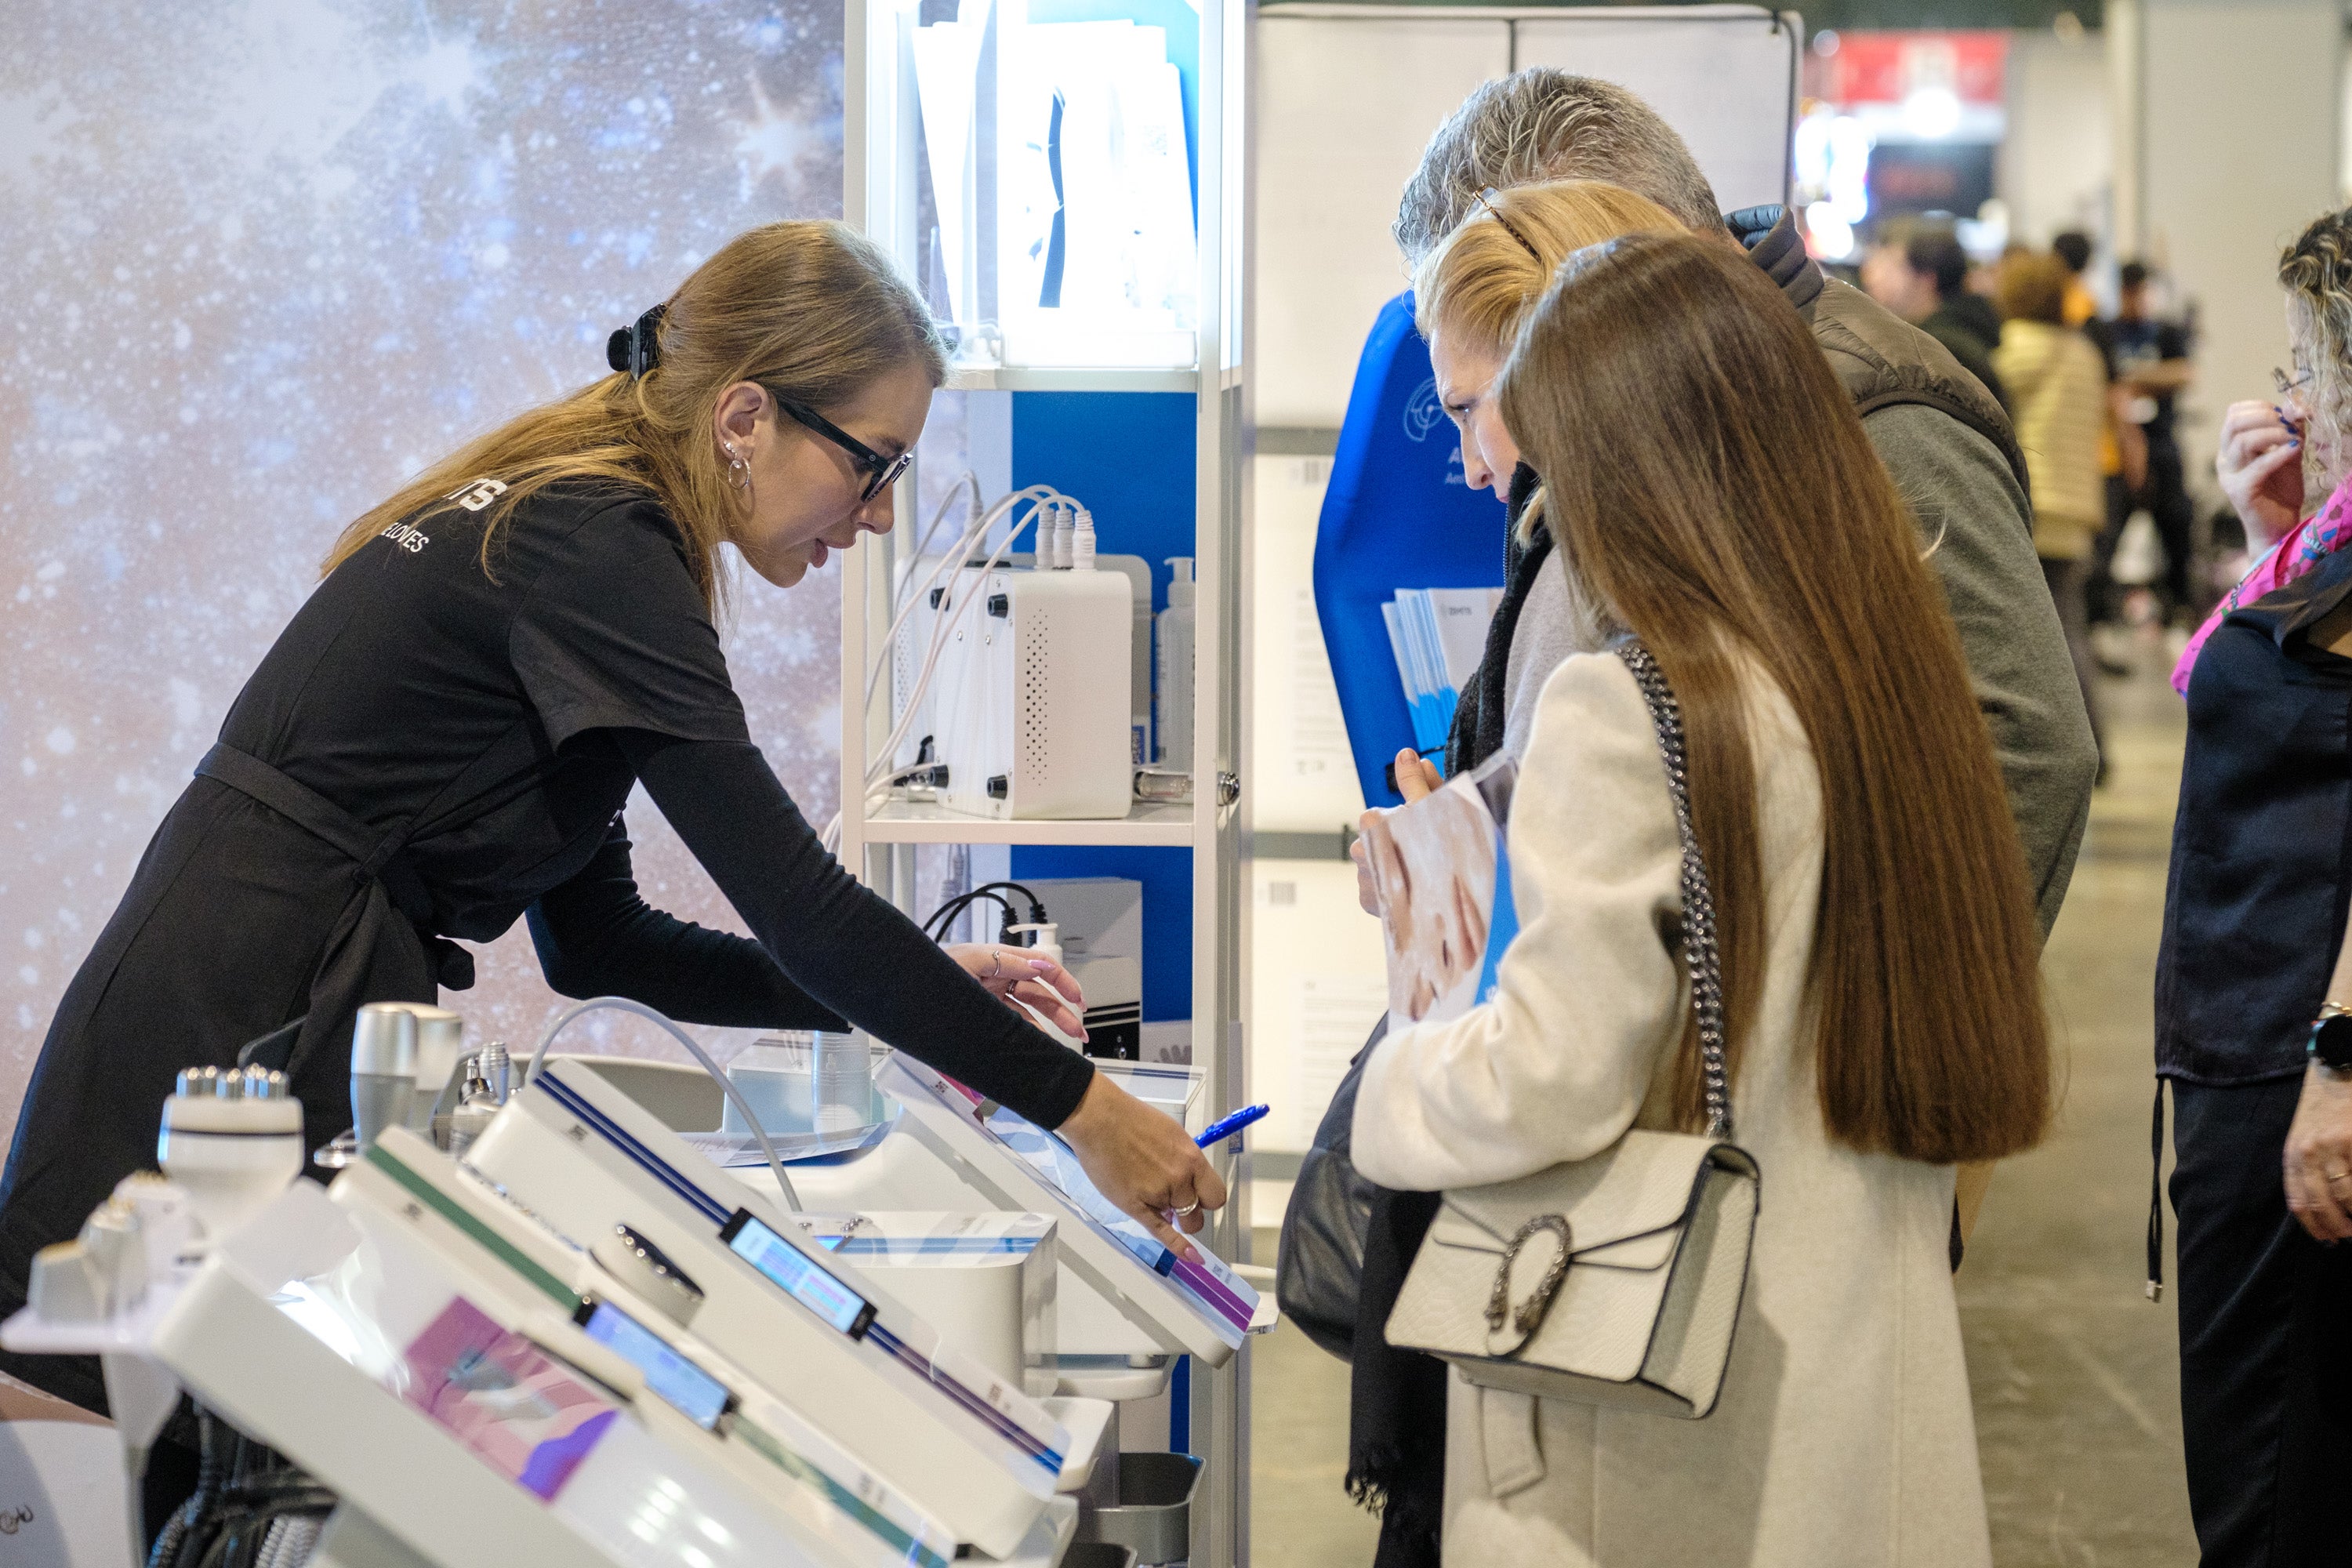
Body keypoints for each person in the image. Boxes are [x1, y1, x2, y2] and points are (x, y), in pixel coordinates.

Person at [0, 220, 1221, 1428]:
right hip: (236, 1004)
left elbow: (601, 946)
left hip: (262, 975)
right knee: (137, 1473)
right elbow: (799, 906)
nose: (880, 514)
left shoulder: (587, 525)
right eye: (875, 463)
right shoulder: (599, 539)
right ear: (745, 418)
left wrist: (927, 991)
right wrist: (1087, 1108)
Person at [1338, 70, 2092, 1568]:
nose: (1498, 475)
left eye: (1505, 421)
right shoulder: (1846, 659)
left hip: (1666, 1360)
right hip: (1832, 1303)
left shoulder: (1644, 703)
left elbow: (1556, 1071)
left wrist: (1389, 1091)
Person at [2157, 205, 2352, 1565]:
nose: (2289, 402)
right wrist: (2266, 535)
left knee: (2271, 1498)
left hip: (2304, 1059)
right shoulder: (2331, 541)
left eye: (2311, 372)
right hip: (2247, 1053)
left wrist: (2343, 1057)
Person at [1994, 250, 2111, 774]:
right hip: (2076, 508)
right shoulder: (2087, 355)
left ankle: (2050, 748)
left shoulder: (2011, 349)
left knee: (2023, 636)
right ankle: (2094, 745)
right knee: (2071, 632)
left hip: (2029, 504)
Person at [2085, 261, 2198, 622]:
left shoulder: (2164, 331)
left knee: (2177, 523)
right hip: (2117, 448)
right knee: (2108, 533)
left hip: (2161, 441)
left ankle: (2179, 603)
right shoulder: (2106, 331)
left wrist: (2128, 380)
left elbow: (2182, 373)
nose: (2135, 298)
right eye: (2128, 290)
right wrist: (2139, 381)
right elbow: (2103, 383)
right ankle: (2100, 611)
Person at [1860, 225, 2007, 409]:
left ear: (1927, 280)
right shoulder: (1968, 324)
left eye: (1898, 267)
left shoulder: (1939, 347)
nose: (1874, 277)